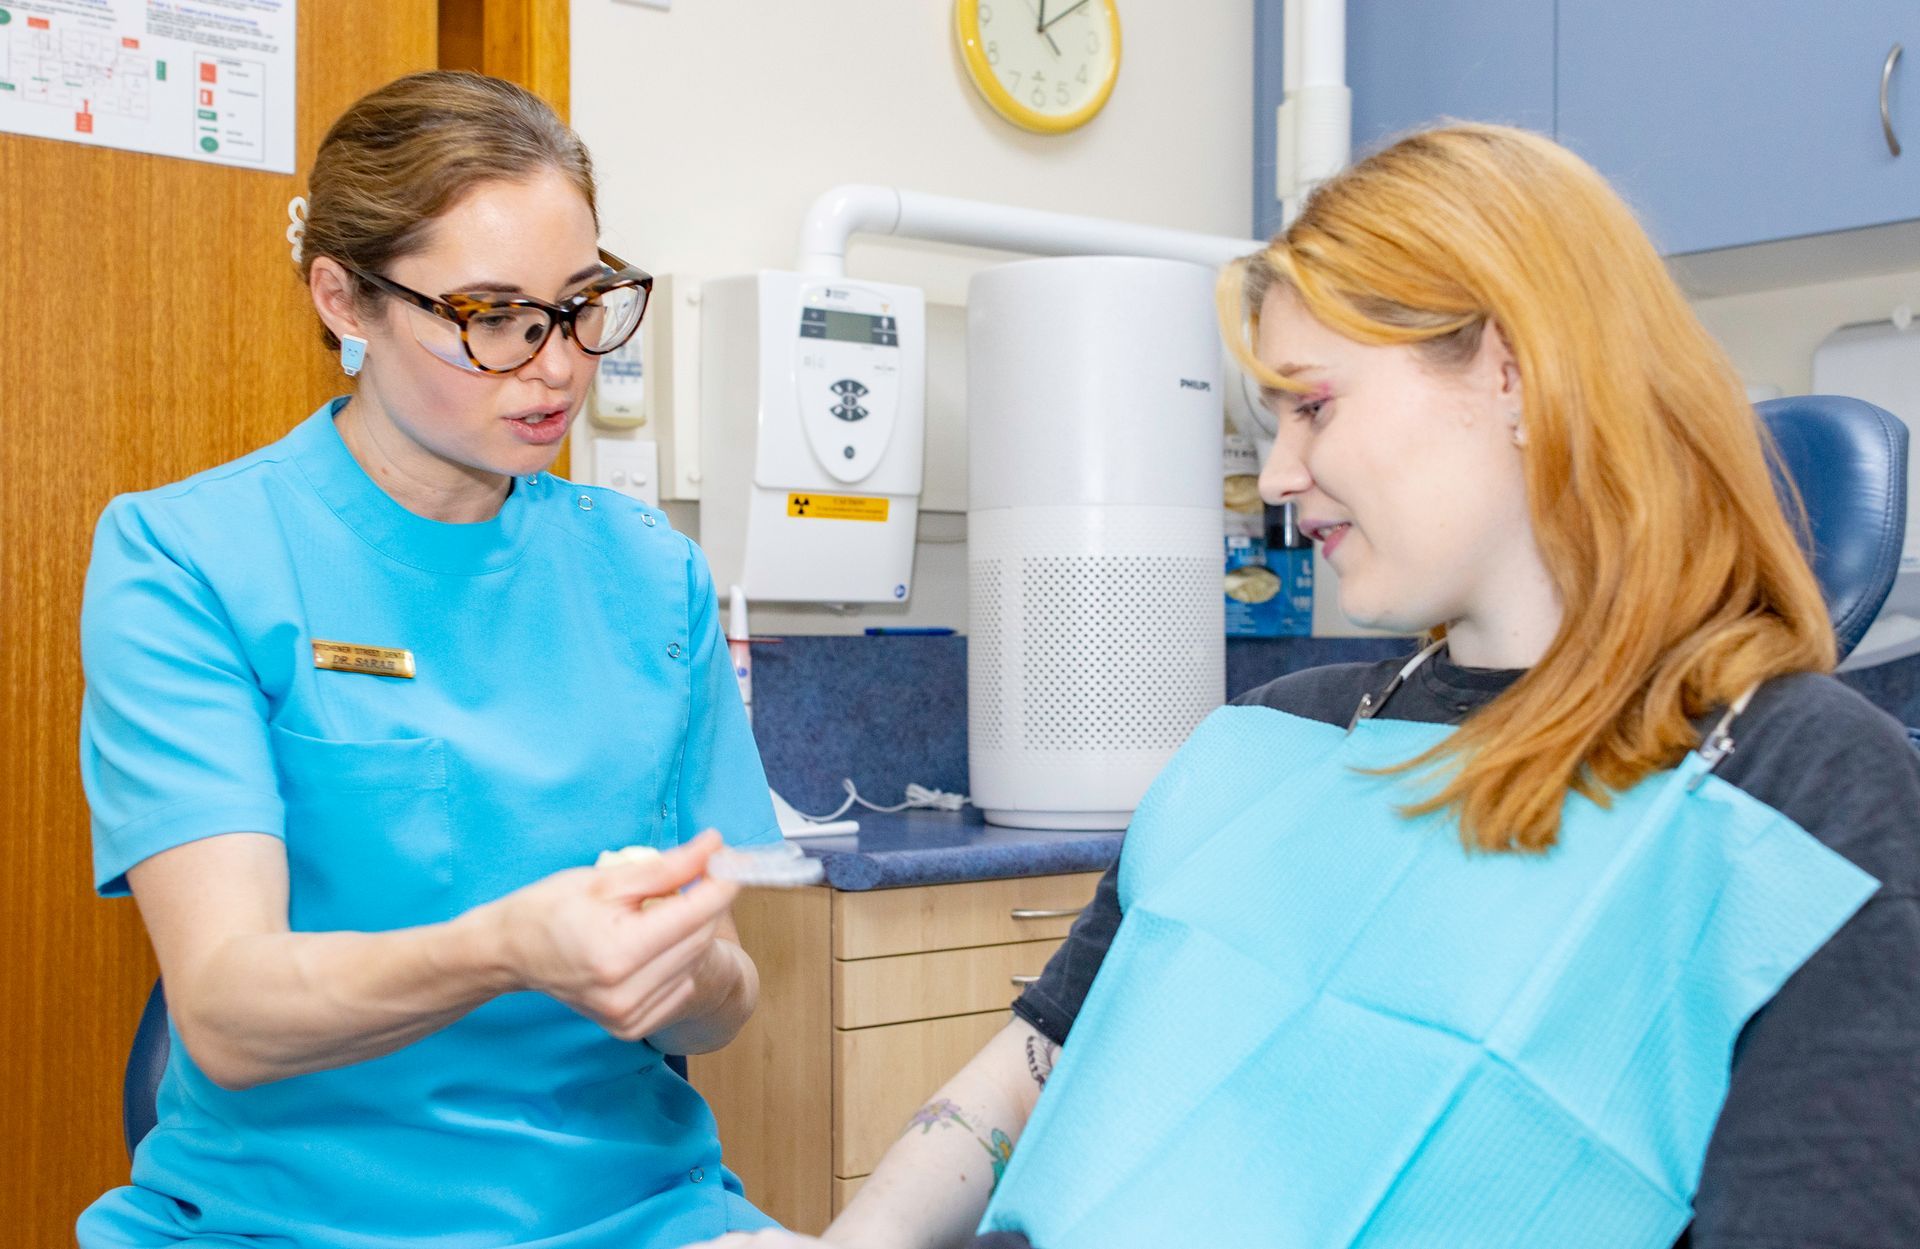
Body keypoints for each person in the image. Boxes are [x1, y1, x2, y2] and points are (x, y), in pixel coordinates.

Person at [693, 124, 1920, 1249]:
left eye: (1313, 405)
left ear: (1518, 374)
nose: (1279, 474)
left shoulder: (1794, 790)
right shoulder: (1269, 742)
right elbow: (1043, 1051)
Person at [77, 71, 781, 1248]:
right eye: (492, 316)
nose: (555, 365)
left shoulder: (655, 577)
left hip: (635, 1211)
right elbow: (228, 1014)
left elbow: (724, 1007)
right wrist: (509, 948)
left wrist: (690, 976)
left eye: (580, 304)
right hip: (281, 1221)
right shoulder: (188, 558)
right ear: (345, 300)